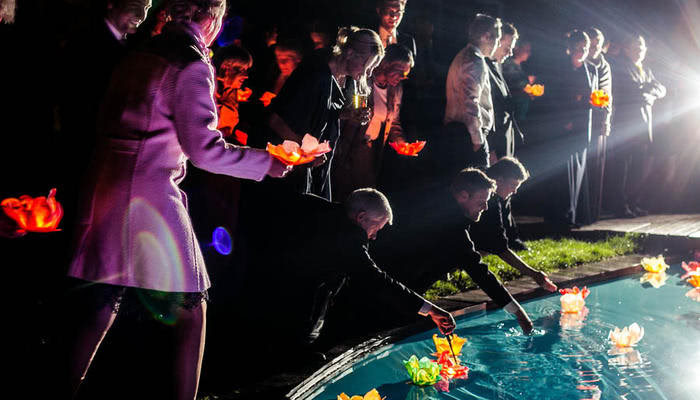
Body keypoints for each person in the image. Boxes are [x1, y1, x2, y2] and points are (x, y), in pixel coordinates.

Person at [64, 1, 290, 399]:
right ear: (210, 15)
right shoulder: (189, 63)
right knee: (191, 308)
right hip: (148, 191)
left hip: (107, 180)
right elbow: (203, 148)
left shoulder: (144, 50)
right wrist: (265, 163)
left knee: (103, 299)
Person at [246, 189, 456, 350]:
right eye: (376, 228)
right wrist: (431, 309)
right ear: (361, 217)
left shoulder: (317, 207)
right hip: (289, 305)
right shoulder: (348, 240)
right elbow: (378, 281)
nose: (373, 236)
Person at [400, 168, 535, 334]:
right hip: (397, 288)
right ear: (463, 196)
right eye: (481, 201)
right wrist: (520, 314)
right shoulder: (451, 227)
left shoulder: (444, 209)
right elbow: (480, 273)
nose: (485, 207)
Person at [267, 27, 384, 200]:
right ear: (350, 53)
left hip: (316, 170)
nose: (367, 74)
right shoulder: (316, 76)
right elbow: (276, 120)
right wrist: (309, 152)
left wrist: (346, 114)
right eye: (367, 67)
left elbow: (320, 111)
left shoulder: (343, 78)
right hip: (291, 170)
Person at [332, 44, 413, 201]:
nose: (402, 77)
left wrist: (402, 143)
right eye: (400, 71)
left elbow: (393, 121)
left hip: (369, 150)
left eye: (406, 74)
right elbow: (353, 112)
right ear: (385, 63)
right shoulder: (363, 82)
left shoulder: (395, 90)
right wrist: (356, 112)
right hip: (347, 146)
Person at [470, 158, 557, 292]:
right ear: (499, 179)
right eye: (512, 185)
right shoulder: (490, 200)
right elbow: (500, 247)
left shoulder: (491, 192)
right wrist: (534, 274)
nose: (515, 191)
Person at [608, 34, 666, 217]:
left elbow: (661, 89)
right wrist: (649, 92)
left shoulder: (646, 70)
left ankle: (633, 203)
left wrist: (648, 91)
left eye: (642, 47)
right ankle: (619, 205)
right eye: (636, 47)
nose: (640, 51)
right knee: (622, 167)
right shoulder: (620, 66)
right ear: (626, 49)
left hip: (643, 124)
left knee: (638, 167)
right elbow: (631, 91)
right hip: (626, 123)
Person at [441, 14, 501, 173]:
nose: (497, 44)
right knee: (476, 188)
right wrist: (478, 140)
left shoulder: (465, 56)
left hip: (463, 133)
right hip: (468, 136)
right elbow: (470, 102)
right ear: (486, 36)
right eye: (497, 39)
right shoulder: (474, 61)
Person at [546, 29, 594, 227]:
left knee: (579, 170)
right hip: (564, 125)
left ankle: (576, 214)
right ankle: (561, 216)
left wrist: (595, 101)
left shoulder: (590, 68)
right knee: (564, 173)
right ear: (570, 48)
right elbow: (554, 96)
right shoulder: (559, 68)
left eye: (586, 47)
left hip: (583, 124)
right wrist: (565, 118)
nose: (582, 51)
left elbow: (593, 93)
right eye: (578, 47)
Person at [584, 27, 612, 222]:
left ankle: (593, 211)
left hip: (598, 119)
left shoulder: (604, 66)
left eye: (597, 45)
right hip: (582, 121)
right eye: (591, 44)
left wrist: (607, 119)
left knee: (596, 165)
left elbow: (608, 94)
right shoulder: (580, 64)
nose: (594, 48)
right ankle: (582, 210)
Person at [486, 22, 523, 162]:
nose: (511, 53)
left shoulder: (497, 65)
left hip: (504, 140)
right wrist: (491, 149)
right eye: (508, 47)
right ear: (496, 41)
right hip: (495, 145)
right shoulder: (482, 67)